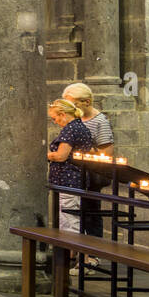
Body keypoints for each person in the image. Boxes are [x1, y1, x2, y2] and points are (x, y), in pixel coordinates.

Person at [62, 82, 113, 238]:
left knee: (91, 214)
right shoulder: (76, 119)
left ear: (87, 102)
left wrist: (81, 148)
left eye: (74, 104)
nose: (70, 108)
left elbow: (107, 153)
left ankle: (92, 256)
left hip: (91, 176)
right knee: (73, 215)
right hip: (74, 175)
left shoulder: (100, 122)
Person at [47, 98, 95, 233]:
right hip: (76, 180)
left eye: (54, 118)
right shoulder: (82, 127)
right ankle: (78, 253)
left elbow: (61, 156)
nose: (55, 122)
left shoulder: (70, 129)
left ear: (63, 114)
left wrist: (46, 155)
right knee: (73, 220)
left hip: (68, 180)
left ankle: (75, 253)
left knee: (70, 223)